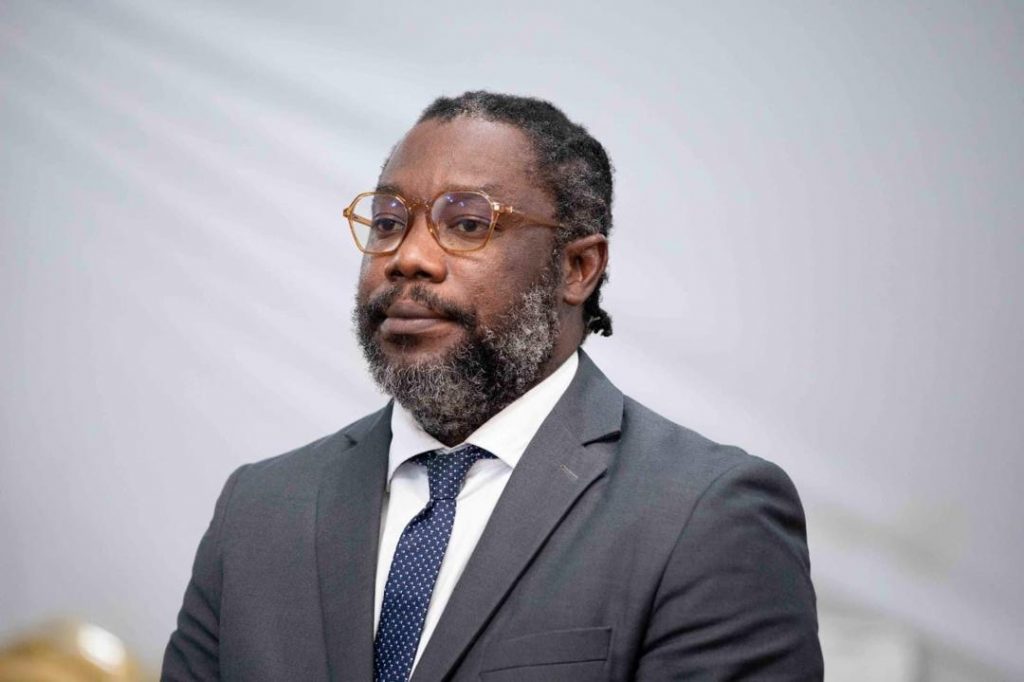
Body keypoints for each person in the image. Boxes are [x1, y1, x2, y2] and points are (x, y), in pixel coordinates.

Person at [163, 91, 823, 681]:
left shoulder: (707, 517)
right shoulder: (259, 509)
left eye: (467, 224)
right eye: (388, 221)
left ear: (577, 268)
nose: (408, 257)